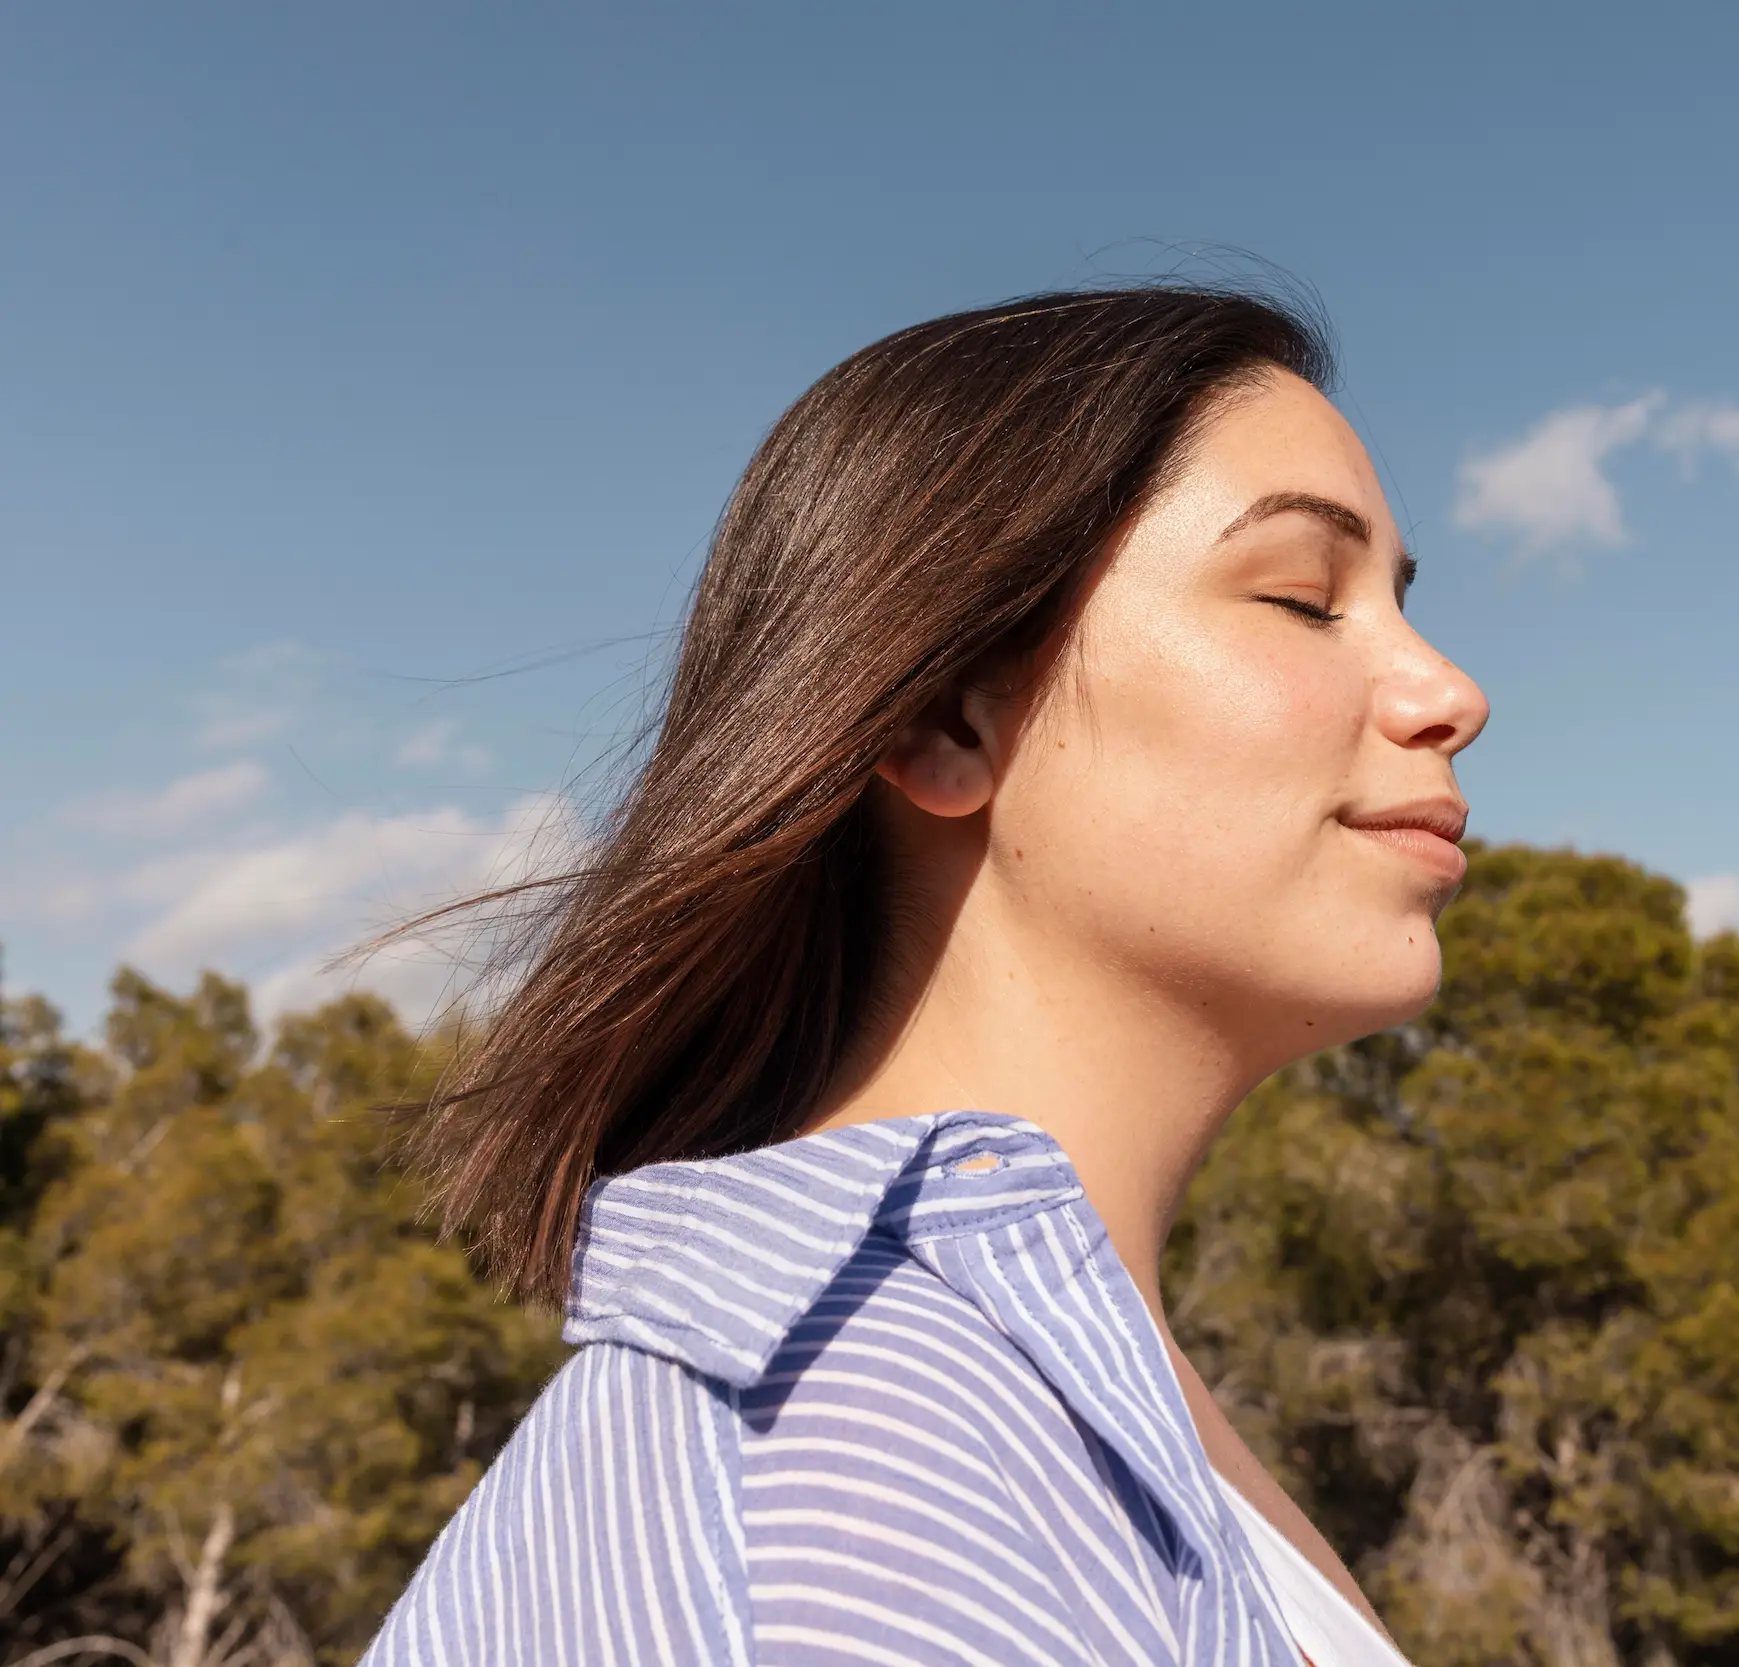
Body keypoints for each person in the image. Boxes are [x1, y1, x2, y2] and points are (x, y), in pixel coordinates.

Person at [362, 284, 1489, 1666]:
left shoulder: (1050, 1393)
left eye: (1399, 602)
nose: (1450, 691)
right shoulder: (842, 1492)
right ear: (949, 714)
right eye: (1303, 599)